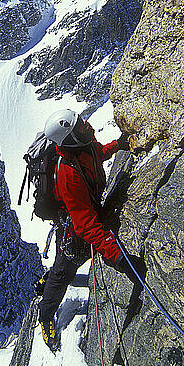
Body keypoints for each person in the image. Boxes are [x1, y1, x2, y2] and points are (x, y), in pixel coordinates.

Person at [38, 108, 143, 350]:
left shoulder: (83, 144)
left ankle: (50, 277)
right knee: (64, 271)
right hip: (73, 225)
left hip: (86, 210)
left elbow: (97, 154)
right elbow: (84, 224)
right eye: (80, 126)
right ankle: (45, 314)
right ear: (71, 138)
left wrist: (118, 145)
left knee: (63, 268)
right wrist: (118, 256)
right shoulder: (67, 173)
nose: (87, 124)